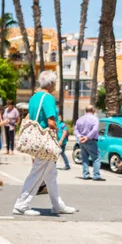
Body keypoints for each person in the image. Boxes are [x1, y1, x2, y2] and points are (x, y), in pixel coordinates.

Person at [12, 71, 76, 216]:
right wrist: (57, 133)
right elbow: (51, 122)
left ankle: (57, 205)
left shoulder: (35, 97)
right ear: (52, 83)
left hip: (37, 141)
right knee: (37, 174)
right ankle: (21, 205)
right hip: (45, 143)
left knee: (51, 175)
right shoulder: (48, 98)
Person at [74, 105, 105, 181]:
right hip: (90, 140)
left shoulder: (80, 119)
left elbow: (76, 130)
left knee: (84, 158)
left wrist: (80, 137)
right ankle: (96, 175)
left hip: (82, 141)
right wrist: (87, 137)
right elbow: (94, 130)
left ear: (86, 110)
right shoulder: (94, 119)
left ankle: (85, 175)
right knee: (96, 158)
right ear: (93, 110)